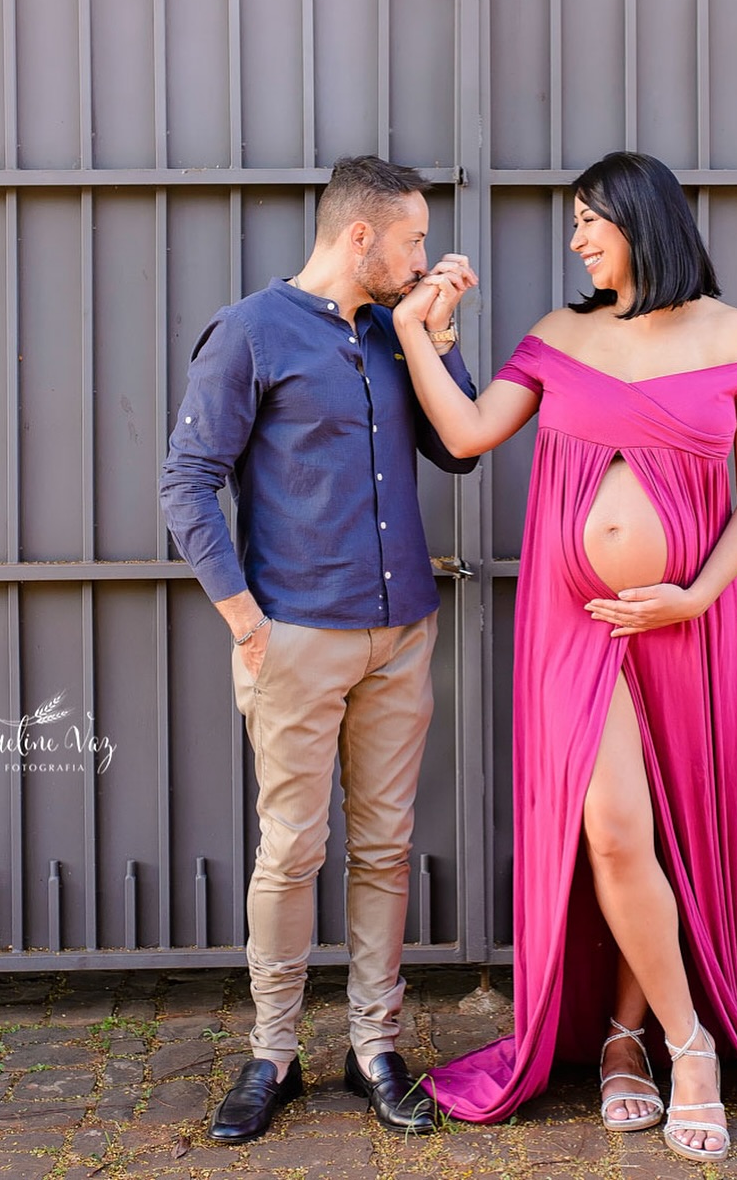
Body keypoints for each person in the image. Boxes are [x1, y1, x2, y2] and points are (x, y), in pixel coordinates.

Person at [391, 151, 737, 1159]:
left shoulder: (736, 335)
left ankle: (625, 1036)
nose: (575, 240)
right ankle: (690, 1042)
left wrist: (696, 590)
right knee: (613, 829)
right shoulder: (557, 335)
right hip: (573, 622)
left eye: (590, 221)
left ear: (642, 220)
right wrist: (414, 333)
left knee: (657, 834)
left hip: (683, 618)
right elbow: (469, 429)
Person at [159, 156, 478, 1145]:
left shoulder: (393, 330)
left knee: (384, 848)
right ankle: (272, 1052)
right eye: (414, 239)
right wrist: (248, 621)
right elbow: (186, 481)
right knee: (292, 849)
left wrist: (437, 337)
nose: (425, 255)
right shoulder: (251, 332)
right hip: (293, 635)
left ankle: (375, 1047)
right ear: (360, 239)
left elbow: (458, 445)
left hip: (401, 634)